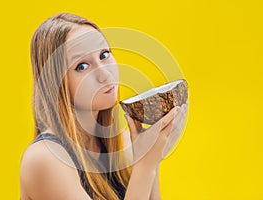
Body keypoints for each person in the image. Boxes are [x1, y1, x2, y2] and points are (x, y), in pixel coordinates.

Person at [19, 12, 187, 200]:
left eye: (104, 55)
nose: (104, 74)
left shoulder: (120, 144)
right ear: (56, 85)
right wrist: (145, 166)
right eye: (82, 66)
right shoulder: (44, 160)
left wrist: (151, 161)